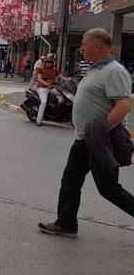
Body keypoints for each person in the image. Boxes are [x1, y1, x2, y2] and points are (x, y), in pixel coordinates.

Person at [38, 28, 134, 238]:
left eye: (84, 43)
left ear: (97, 45)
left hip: (100, 140)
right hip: (83, 139)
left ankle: (66, 223)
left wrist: (98, 130)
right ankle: (66, 223)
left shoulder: (115, 72)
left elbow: (124, 106)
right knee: (71, 181)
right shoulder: (95, 69)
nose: (81, 48)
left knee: (109, 189)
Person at [34, 54, 66, 126]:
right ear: (44, 62)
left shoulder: (54, 69)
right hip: (42, 88)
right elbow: (39, 79)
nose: (49, 64)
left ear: (52, 63)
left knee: (64, 93)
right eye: (47, 62)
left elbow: (62, 77)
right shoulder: (40, 69)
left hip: (51, 88)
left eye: (50, 62)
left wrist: (70, 80)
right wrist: (45, 83)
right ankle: (38, 120)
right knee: (44, 102)